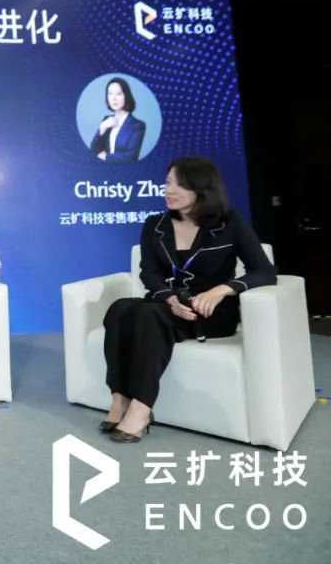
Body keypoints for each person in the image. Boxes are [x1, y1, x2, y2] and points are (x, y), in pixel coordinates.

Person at [100, 156, 276, 443]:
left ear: (202, 189)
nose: (169, 190)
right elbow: (149, 273)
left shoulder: (229, 223)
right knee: (119, 308)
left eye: (180, 185)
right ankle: (119, 398)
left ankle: (142, 407)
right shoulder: (155, 224)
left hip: (209, 311)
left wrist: (222, 290)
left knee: (148, 315)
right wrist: (170, 298)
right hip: (167, 304)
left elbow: (265, 272)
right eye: (168, 182)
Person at [90, 77, 146, 163]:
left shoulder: (137, 125)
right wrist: (102, 128)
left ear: (126, 96)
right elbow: (93, 150)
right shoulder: (106, 120)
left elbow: (131, 157)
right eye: (110, 94)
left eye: (118, 94)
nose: (113, 98)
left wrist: (106, 157)